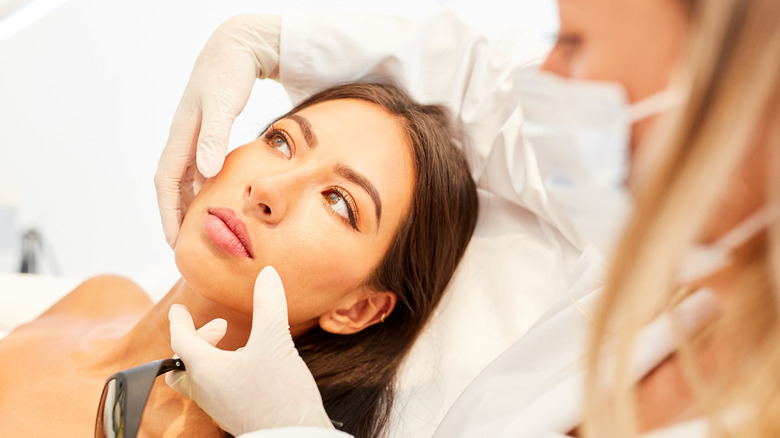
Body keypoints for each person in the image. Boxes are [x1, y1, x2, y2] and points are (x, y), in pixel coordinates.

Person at [157, 0, 780, 437]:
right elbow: (481, 89)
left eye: (574, 44)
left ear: (736, 101)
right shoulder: (665, 276)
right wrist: (263, 38)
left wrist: (290, 433)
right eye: (282, 139)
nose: (268, 190)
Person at [0, 82, 478, 437]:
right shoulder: (101, 296)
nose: (268, 189)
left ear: (357, 309)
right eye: (282, 142)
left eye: (339, 202)